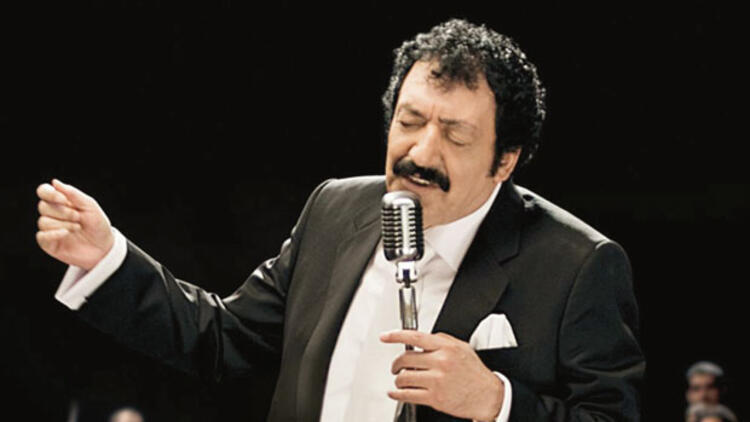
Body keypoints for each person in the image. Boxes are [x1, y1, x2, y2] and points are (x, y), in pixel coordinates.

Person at [35, 19, 645, 421]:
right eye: (409, 121)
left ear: (504, 160)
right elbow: (221, 339)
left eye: (455, 135)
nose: (420, 152)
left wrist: (497, 401)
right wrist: (107, 259)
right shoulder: (335, 209)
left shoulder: (578, 265)